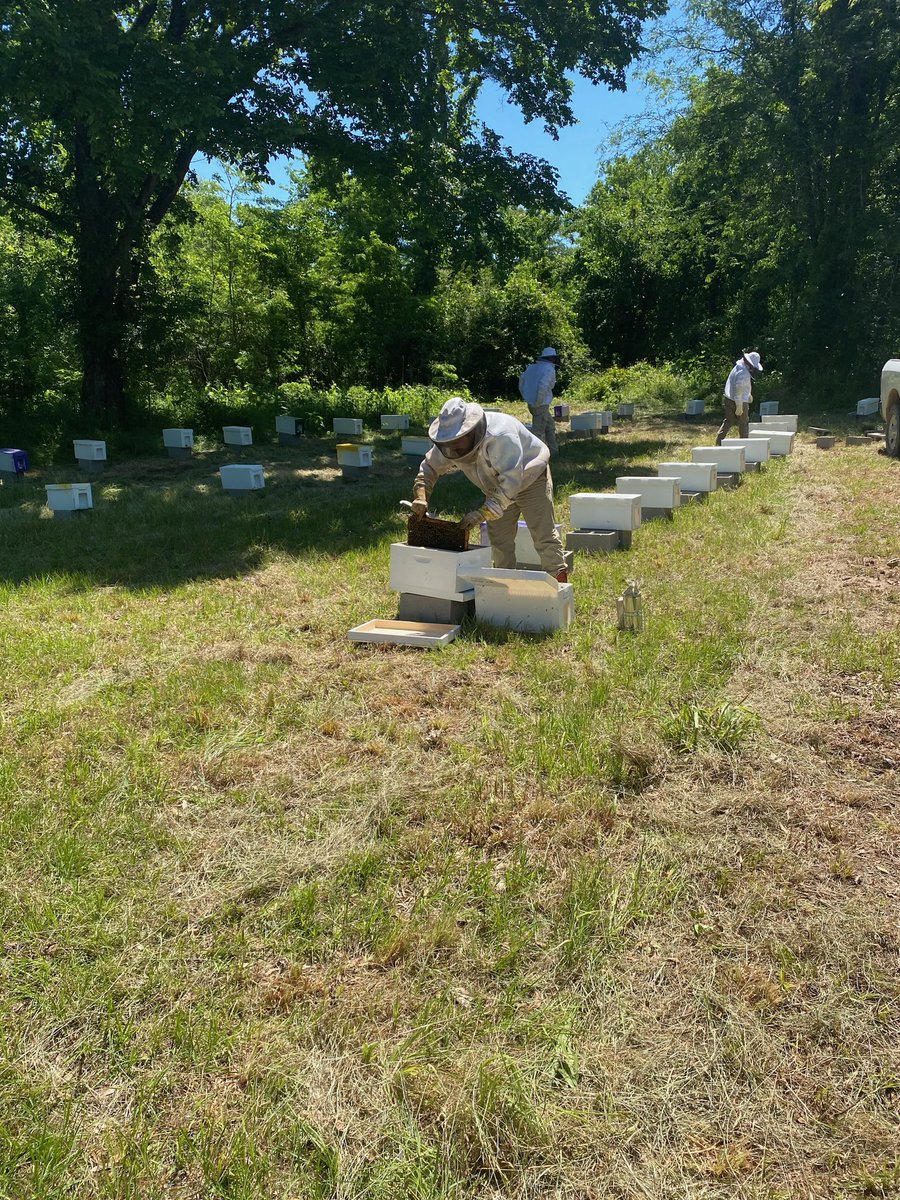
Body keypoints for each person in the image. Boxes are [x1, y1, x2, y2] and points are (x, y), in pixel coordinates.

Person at [411, 397, 569, 581]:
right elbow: (429, 467)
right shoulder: (451, 442)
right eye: (450, 444)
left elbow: (511, 483)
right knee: (500, 541)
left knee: (543, 535)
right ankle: (504, 591)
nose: (453, 449)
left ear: (471, 432)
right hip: (495, 487)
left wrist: (483, 513)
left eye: (458, 442)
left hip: (529, 477)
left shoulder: (501, 435)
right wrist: (421, 495)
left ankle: (560, 588)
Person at [518, 347, 560, 455]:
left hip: (533, 403)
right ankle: (533, 454)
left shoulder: (531, 368)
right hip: (540, 404)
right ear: (551, 358)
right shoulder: (549, 369)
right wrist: (538, 401)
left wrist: (527, 397)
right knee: (538, 432)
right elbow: (543, 386)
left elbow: (521, 383)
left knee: (550, 426)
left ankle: (554, 451)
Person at [716, 350, 763, 445]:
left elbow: (741, 386)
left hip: (729, 398)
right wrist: (739, 405)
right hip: (739, 400)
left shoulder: (738, 366)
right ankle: (744, 444)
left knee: (728, 420)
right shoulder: (743, 373)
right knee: (743, 422)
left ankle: (719, 441)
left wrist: (748, 394)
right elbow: (739, 388)